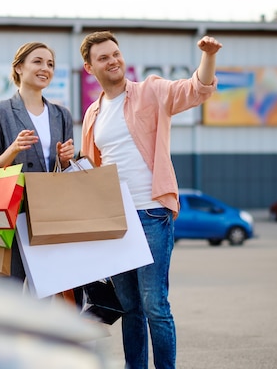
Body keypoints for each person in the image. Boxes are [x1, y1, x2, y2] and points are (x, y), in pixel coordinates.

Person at [79, 31, 222, 369]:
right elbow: (91, 169)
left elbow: (195, 89)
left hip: (151, 213)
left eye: (116, 53)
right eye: (103, 57)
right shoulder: (93, 114)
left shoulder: (150, 91)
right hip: (117, 219)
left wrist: (209, 56)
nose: (113, 60)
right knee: (129, 306)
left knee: (154, 303)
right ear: (89, 67)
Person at [0, 41, 75, 282]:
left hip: (49, 214)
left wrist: (66, 160)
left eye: (50, 64)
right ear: (19, 67)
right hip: (12, 213)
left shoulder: (61, 114)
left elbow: (66, 173)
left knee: (46, 291)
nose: (45, 68)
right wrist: (13, 149)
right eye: (38, 61)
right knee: (7, 293)